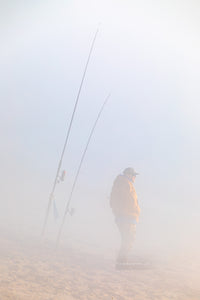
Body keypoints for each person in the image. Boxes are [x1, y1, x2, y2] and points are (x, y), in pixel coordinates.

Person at [110, 167, 140, 268]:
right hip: (126, 217)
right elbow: (122, 200)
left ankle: (121, 262)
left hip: (127, 216)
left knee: (127, 240)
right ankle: (121, 263)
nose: (135, 177)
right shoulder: (124, 184)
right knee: (128, 240)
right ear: (128, 175)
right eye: (133, 175)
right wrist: (127, 212)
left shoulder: (125, 183)